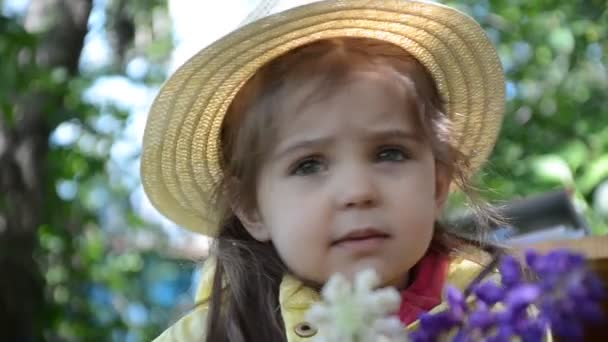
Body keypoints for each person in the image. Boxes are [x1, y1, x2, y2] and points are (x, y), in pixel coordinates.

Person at [140, 0, 506, 341]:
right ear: (252, 207)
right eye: (308, 165)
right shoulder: (219, 332)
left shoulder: (496, 316)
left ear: (438, 182)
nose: (357, 191)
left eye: (390, 153)